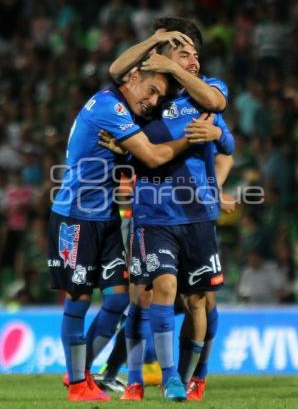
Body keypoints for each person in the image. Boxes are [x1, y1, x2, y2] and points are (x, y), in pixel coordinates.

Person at [48, 39, 199, 403]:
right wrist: (191, 139)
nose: (151, 102)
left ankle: (82, 375)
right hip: (75, 217)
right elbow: (151, 155)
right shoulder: (109, 107)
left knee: (117, 300)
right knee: (80, 297)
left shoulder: (127, 109)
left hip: (107, 218)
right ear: (133, 77)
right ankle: (77, 382)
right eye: (150, 92)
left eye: (157, 99)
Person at [107, 17, 234, 401]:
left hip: (196, 213)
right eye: (182, 52)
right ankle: (153, 378)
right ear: (160, 56)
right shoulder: (147, 96)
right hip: (151, 214)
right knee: (149, 292)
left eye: (195, 53)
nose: (193, 59)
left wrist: (216, 184)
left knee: (201, 300)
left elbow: (226, 142)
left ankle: (195, 375)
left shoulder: (205, 93)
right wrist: (154, 46)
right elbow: (115, 73)